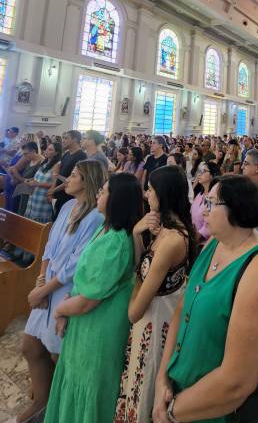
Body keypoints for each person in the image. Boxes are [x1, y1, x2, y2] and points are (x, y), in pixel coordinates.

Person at [152, 175, 258, 423]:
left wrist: (172, 412)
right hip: (179, 396)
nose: (203, 210)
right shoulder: (215, 243)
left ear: (236, 209)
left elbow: (236, 382)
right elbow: (182, 310)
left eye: (211, 203)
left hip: (216, 411)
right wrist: (162, 380)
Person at [44, 172, 143, 423]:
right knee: (73, 377)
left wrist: (60, 310)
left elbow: (90, 300)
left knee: (89, 385)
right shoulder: (104, 227)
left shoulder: (116, 241)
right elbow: (85, 280)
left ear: (116, 199)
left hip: (99, 325)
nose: (99, 193)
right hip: (83, 319)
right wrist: (68, 300)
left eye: (105, 190)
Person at [18, 161, 106, 423]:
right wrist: (40, 282)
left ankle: (56, 407)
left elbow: (76, 264)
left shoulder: (95, 217)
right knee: (30, 346)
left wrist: (46, 289)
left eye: (74, 175)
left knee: (58, 354)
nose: (67, 179)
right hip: (47, 285)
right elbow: (49, 247)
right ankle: (41, 401)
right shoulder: (68, 206)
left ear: (87, 181)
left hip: (66, 290)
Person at [114, 166, 198, 423]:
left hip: (155, 322)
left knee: (144, 390)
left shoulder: (173, 239)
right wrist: (137, 233)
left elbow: (134, 311)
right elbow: (142, 265)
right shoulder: (164, 229)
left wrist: (136, 283)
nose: (146, 194)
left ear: (163, 194)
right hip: (151, 316)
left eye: (150, 190)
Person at [23, 142, 62, 224]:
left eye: (50, 150)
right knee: (30, 221)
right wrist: (29, 180)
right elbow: (38, 177)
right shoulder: (44, 161)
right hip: (34, 195)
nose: (46, 151)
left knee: (38, 223)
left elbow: (54, 184)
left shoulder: (57, 165)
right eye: (47, 148)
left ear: (56, 153)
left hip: (43, 198)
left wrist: (38, 184)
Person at [51, 130, 87, 217]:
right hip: (58, 194)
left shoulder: (81, 156)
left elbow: (72, 178)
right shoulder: (66, 154)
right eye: (63, 138)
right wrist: (53, 189)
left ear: (75, 140)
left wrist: (54, 190)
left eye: (66, 138)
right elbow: (57, 173)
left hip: (68, 196)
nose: (63, 141)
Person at [190, 161, 221, 243]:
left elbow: (210, 220)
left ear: (212, 175)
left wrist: (199, 235)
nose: (199, 174)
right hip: (194, 238)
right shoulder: (200, 195)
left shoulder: (211, 197)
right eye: (199, 171)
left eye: (203, 171)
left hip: (204, 242)